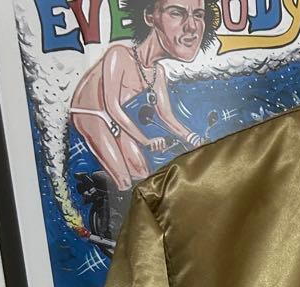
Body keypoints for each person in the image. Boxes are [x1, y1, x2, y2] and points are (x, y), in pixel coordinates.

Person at [68, 1, 217, 192]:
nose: (192, 26)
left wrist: (194, 139)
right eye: (176, 13)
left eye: (198, 15)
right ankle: (99, 192)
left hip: (116, 121)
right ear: (149, 17)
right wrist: (145, 141)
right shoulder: (118, 54)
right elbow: (112, 106)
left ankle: (100, 187)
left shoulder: (158, 72)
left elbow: (167, 116)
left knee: (142, 175)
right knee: (123, 180)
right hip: (91, 114)